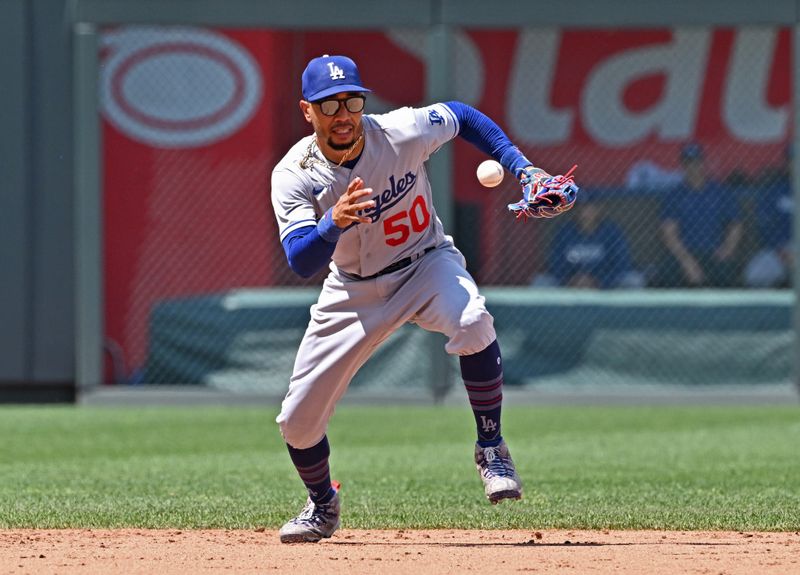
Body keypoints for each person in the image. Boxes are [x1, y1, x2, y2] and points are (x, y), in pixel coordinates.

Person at [270, 54, 572, 543]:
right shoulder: (293, 174)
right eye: (329, 105)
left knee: (473, 320)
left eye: (352, 100)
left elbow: (461, 116)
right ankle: (323, 505)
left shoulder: (398, 131)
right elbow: (301, 260)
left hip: (425, 263)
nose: (343, 113)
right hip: (352, 290)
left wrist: (522, 167)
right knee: (297, 422)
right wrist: (334, 221)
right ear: (308, 111)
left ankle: (491, 446)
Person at [656, 142, 744, 288]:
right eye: (688, 163)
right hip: (685, 253)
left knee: (727, 273)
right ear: (682, 166)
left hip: (714, 252)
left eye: (697, 162)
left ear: (703, 163)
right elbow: (669, 234)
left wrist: (727, 249)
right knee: (667, 273)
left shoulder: (721, 191)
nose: (693, 167)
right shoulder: (674, 195)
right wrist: (686, 261)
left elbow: (735, 225)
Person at [532, 195, 644, 289]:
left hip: (605, 286)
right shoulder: (565, 232)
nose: (586, 211)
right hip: (570, 283)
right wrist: (571, 280)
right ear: (576, 210)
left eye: (591, 207)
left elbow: (622, 263)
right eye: (583, 207)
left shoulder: (611, 231)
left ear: (599, 209)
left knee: (634, 280)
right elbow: (555, 263)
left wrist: (599, 281)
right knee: (540, 282)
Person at [744, 146, 793, 288]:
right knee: (754, 274)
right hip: (781, 251)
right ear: (787, 164)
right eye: (793, 160)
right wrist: (782, 251)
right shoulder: (774, 190)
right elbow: (765, 226)